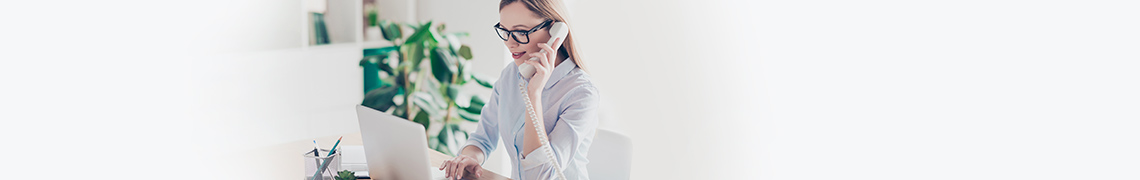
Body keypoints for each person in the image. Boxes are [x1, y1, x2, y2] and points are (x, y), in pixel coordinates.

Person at [439, 0, 599, 179]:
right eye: (505, 31)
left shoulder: (582, 93)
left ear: (555, 30)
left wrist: (534, 93)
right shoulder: (511, 75)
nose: (509, 43)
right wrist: (468, 159)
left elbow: (538, 176)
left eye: (520, 32)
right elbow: (482, 139)